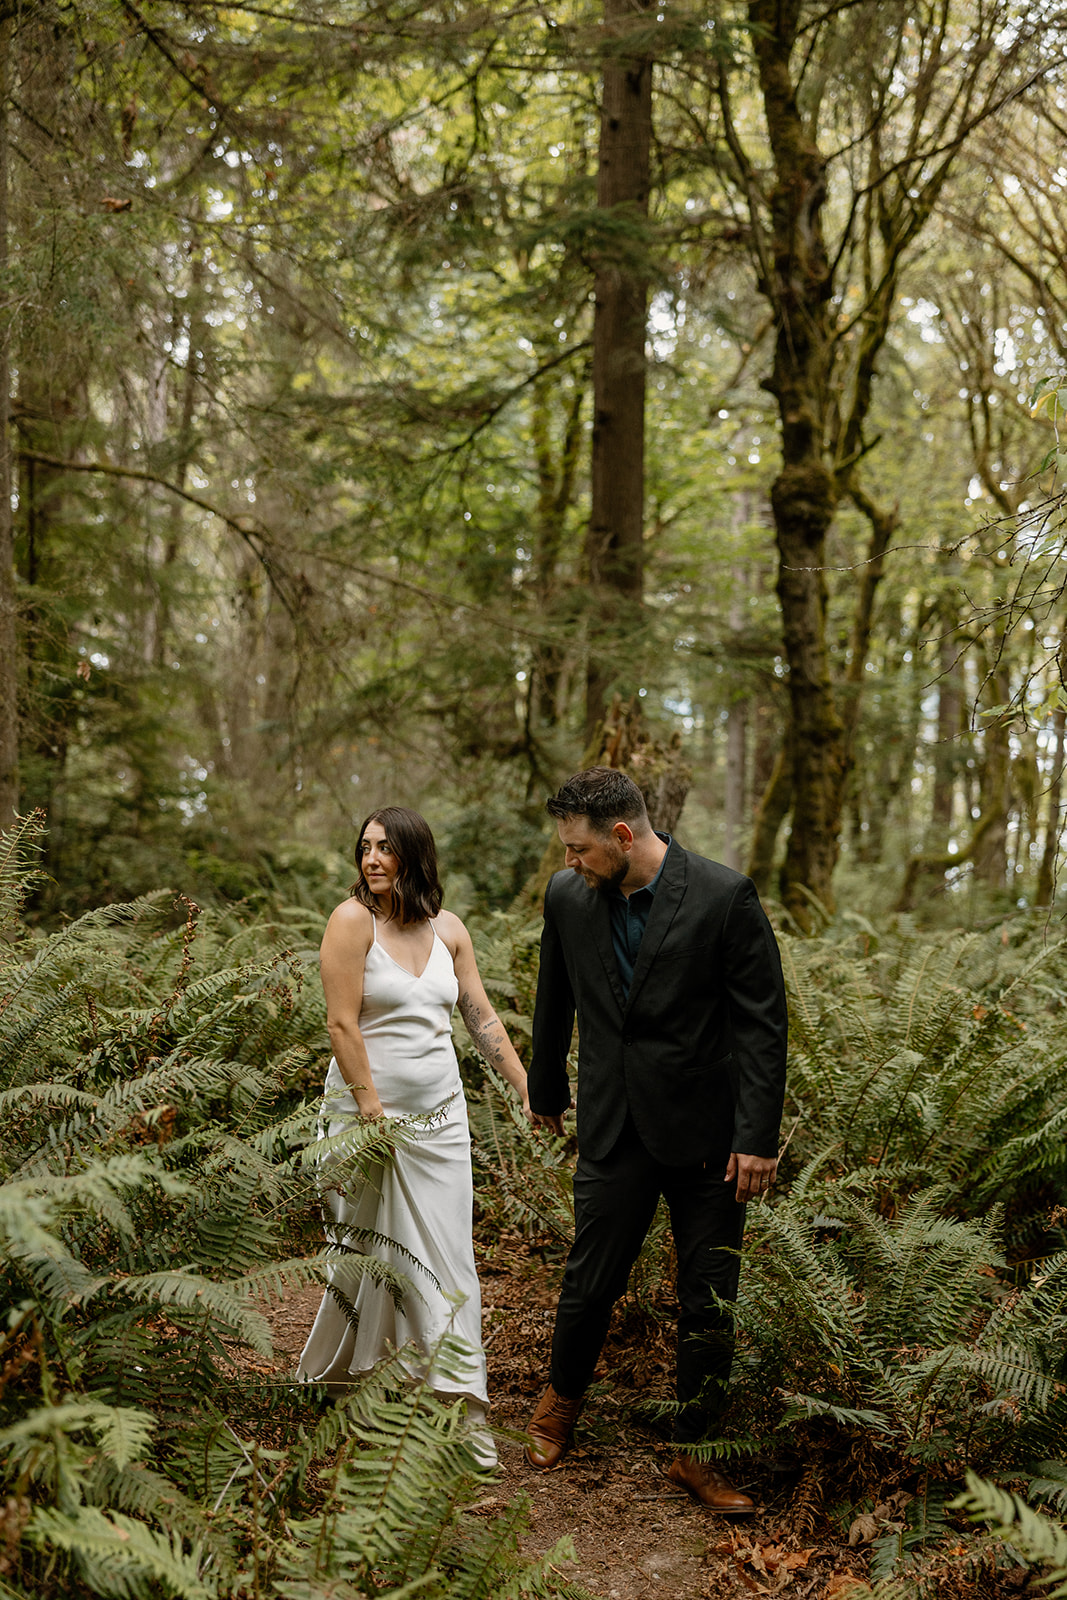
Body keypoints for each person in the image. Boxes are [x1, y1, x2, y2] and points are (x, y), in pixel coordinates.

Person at [525, 768, 788, 1511]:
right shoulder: (566, 898)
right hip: (613, 1123)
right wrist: (545, 1091)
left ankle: (695, 1453)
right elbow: (555, 996)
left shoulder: (722, 895)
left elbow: (761, 1024)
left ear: (621, 836)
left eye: (577, 848)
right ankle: (561, 1403)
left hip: (708, 1135)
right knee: (589, 1279)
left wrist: (756, 1137)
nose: (567, 861)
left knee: (710, 1298)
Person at [297, 805, 531, 1466]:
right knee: (377, 1256)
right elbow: (341, 1024)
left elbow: (478, 1013)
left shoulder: (449, 930)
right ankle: (367, 1380)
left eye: (385, 848)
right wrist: (370, 1109)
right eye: (365, 847)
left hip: (442, 1122)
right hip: (369, 1117)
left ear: (413, 855)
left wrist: (523, 1083)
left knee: (447, 1256)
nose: (372, 859)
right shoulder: (350, 923)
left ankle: (458, 1408)